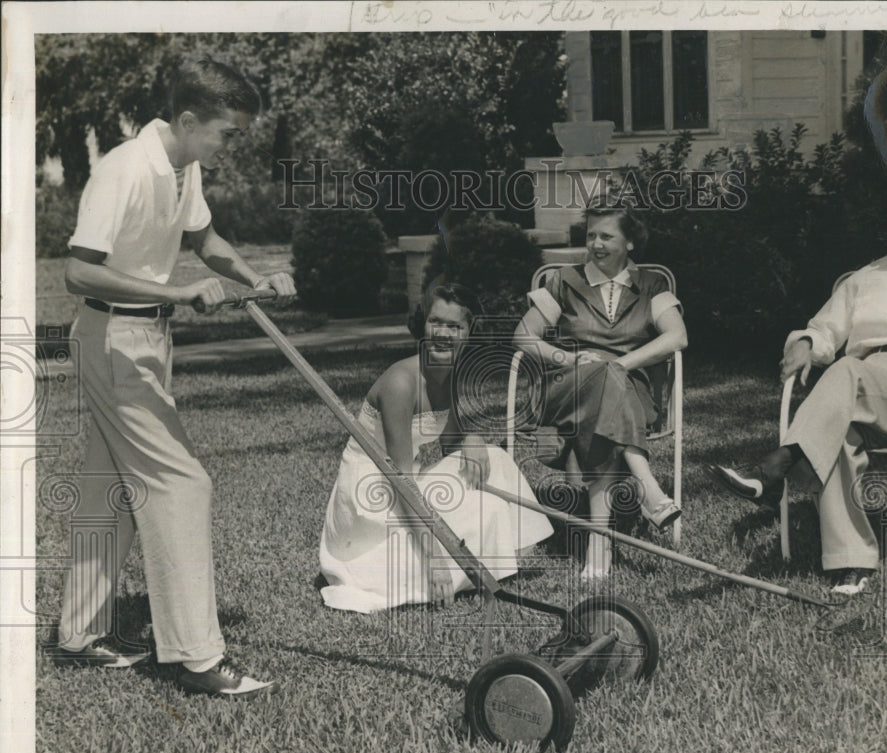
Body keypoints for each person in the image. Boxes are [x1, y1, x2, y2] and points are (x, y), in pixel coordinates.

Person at [53, 58, 296, 697]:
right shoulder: (124, 170)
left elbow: (206, 241)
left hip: (146, 338)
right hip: (113, 338)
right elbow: (78, 272)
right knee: (183, 484)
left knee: (111, 486)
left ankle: (79, 636)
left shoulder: (184, 166)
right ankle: (197, 660)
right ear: (189, 120)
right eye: (227, 133)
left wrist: (257, 279)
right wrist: (179, 293)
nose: (231, 146)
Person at [710, 171, 887, 594]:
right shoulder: (867, 276)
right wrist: (806, 342)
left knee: (845, 374)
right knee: (839, 428)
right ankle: (851, 562)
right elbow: (824, 330)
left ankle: (775, 468)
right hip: (863, 393)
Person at [319, 283, 553, 613]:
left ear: (469, 332)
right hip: (370, 496)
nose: (442, 334)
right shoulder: (401, 382)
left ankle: (501, 555)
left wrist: (472, 439)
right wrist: (436, 558)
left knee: (494, 458)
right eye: (435, 322)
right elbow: (400, 479)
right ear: (423, 324)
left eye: (454, 326)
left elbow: (452, 444)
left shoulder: (449, 373)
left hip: (404, 481)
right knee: (487, 509)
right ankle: (432, 563)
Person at [513, 197, 688, 579]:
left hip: (631, 394)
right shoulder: (565, 281)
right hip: (568, 390)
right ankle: (647, 486)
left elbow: (677, 337)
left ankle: (599, 540)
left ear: (630, 242)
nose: (596, 244)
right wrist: (568, 358)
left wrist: (620, 364)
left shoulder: (651, 285)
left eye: (607, 236)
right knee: (603, 384)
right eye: (591, 235)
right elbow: (523, 336)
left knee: (608, 387)